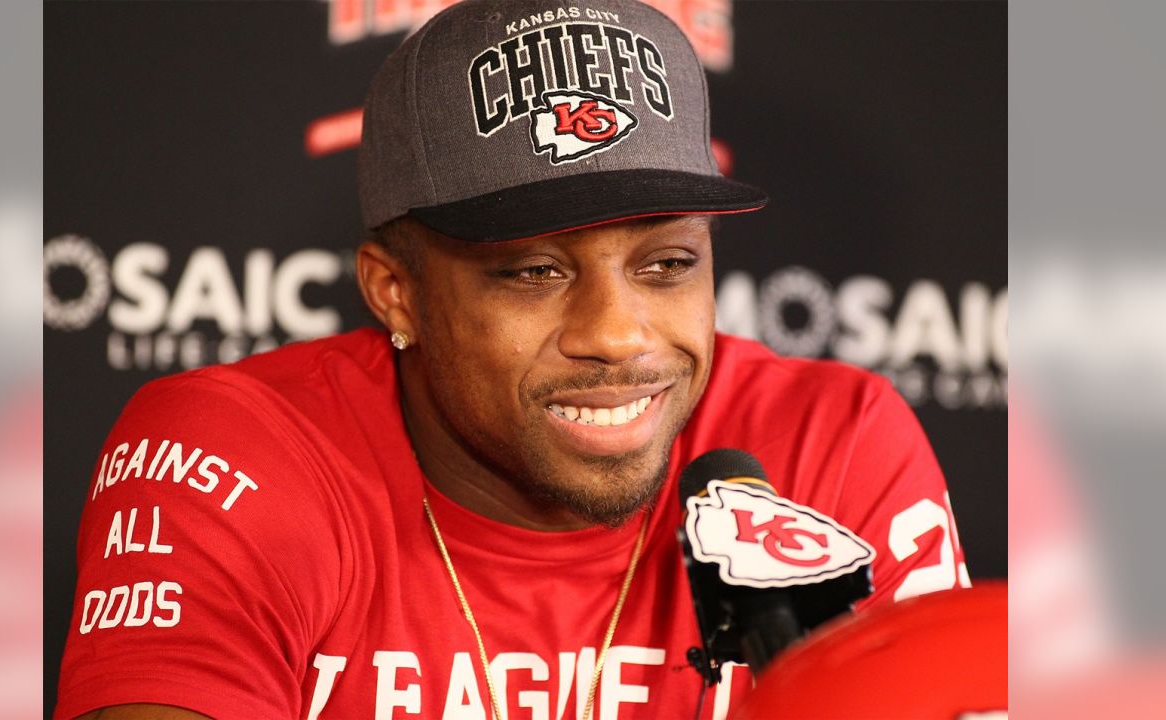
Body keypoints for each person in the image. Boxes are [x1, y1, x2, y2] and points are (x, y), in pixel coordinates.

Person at [54, 0, 968, 718]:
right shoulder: (238, 457)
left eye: (667, 265)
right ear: (395, 292)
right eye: (533, 272)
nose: (617, 333)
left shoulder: (828, 444)